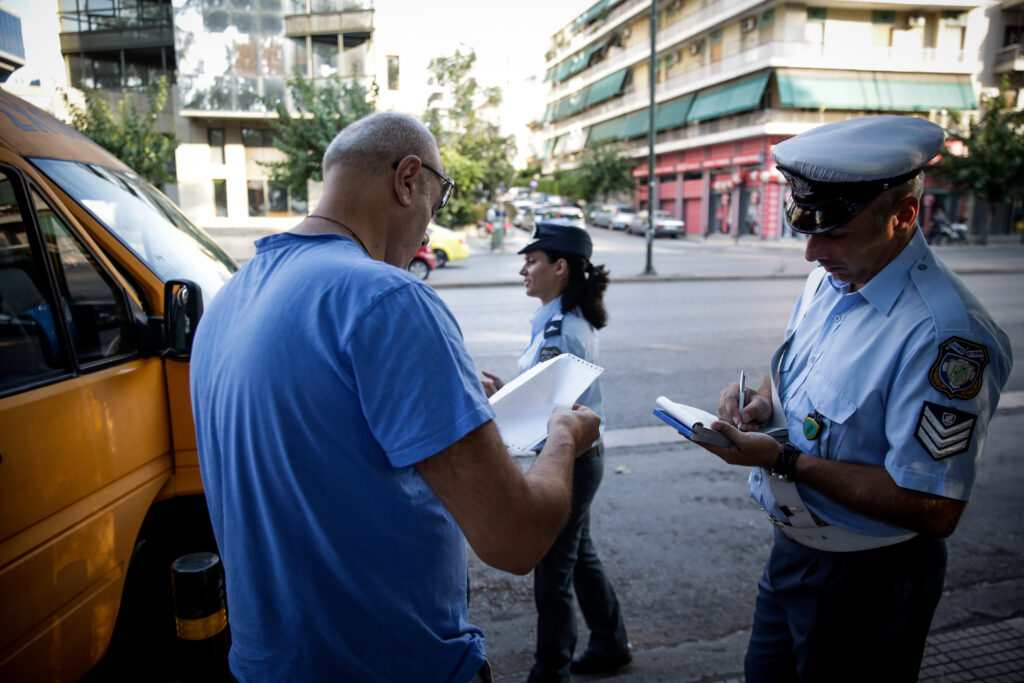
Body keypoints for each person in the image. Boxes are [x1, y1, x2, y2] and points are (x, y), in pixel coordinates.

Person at [189, 113, 601, 683]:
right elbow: (515, 538)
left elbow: (322, 447)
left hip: (266, 666)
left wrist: (445, 402)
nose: (426, 237)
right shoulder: (388, 298)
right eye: (434, 207)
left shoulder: (229, 300)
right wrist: (563, 436)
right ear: (408, 179)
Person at [690, 116, 1012, 681]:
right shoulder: (832, 279)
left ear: (904, 216)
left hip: (869, 578)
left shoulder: (946, 338)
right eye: (807, 229)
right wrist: (761, 405)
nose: (812, 251)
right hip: (792, 551)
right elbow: (798, 369)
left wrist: (783, 459)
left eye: (835, 232)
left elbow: (934, 506)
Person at [480, 220, 630, 682]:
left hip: (570, 463)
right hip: (583, 457)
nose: (524, 269)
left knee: (552, 573)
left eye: (532, 261)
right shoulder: (559, 319)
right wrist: (511, 392)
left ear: (560, 267)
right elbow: (551, 397)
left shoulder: (560, 331)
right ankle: (610, 644)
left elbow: (555, 413)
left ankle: (552, 671)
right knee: (579, 557)